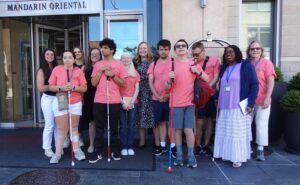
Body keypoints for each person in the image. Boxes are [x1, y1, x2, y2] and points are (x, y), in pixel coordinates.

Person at [165, 39, 209, 168]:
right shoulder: (171, 64)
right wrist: (169, 80)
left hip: (190, 102)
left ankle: (191, 156)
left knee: (188, 130)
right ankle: (179, 155)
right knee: (177, 130)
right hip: (175, 103)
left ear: (187, 49)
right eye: (177, 46)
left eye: (183, 45)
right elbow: (165, 86)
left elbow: (207, 78)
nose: (180, 48)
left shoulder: (193, 63)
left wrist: (198, 71)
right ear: (175, 50)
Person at [213, 45, 258, 168]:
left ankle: (237, 157)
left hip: (238, 106)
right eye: (226, 52)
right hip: (224, 106)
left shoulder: (246, 65)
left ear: (237, 53)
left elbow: (254, 85)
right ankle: (225, 154)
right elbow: (221, 85)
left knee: (236, 133)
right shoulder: (224, 68)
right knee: (226, 132)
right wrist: (216, 97)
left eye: (231, 51)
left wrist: (251, 103)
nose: (228, 54)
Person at [89, 38, 127, 163]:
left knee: (114, 128)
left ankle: (116, 150)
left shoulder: (119, 64)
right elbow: (93, 83)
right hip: (99, 100)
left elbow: (123, 83)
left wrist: (112, 75)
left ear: (112, 50)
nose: (103, 50)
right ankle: (98, 151)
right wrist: (100, 71)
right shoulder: (98, 65)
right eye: (102, 48)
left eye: (105, 48)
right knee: (99, 127)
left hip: (114, 100)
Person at [48, 50, 87, 164]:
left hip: (75, 101)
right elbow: (50, 86)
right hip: (61, 99)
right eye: (65, 57)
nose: (67, 59)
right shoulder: (57, 69)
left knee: (74, 128)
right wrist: (61, 88)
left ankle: (77, 149)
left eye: (70, 57)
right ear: (62, 59)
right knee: (62, 129)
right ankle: (57, 153)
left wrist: (74, 87)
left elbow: (84, 88)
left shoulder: (78, 71)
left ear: (74, 59)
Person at [246, 41, 276, 161]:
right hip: (248, 100)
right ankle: (246, 147)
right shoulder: (246, 63)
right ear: (249, 51)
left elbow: (270, 80)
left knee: (261, 124)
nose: (255, 50)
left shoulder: (266, 63)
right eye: (252, 49)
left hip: (262, 98)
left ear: (261, 50)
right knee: (246, 124)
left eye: (257, 48)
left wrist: (268, 96)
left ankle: (260, 149)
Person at [191, 41, 220, 156]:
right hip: (199, 96)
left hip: (211, 95)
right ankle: (197, 145)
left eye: (197, 54)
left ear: (203, 51)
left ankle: (206, 145)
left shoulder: (214, 60)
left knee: (209, 121)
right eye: (193, 54)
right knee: (199, 122)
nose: (195, 57)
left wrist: (208, 89)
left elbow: (217, 76)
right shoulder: (192, 62)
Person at [147, 39, 176, 156]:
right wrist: (158, 96)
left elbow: (178, 82)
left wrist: (168, 95)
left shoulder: (174, 63)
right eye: (161, 49)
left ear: (169, 50)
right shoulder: (153, 64)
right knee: (160, 123)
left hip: (172, 98)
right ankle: (161, 145)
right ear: (158, 50)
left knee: (172, 123)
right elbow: (150, 82)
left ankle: (173, 146)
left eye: (166, 49)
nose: (163, 52)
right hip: (157, 98)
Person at [79, 48, 102, 153]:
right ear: (89, 56)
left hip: (101, 96)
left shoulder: (103, 66)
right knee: (91, 122)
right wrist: (81, 98)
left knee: (100, 122)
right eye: (93, 54)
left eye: (97, 54)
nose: (94, 55)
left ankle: (100, 143)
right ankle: (92, 144)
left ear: (100, 56)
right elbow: (81, 84)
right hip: (89, 97)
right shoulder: (85, 67)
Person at [36, 48, 58, 158]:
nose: (50, 56)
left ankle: (58, 147)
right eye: (47, 54)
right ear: (44, 56)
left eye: (52, 54)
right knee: (49, 124)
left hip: (58, 98)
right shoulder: (41, 70)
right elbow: (41, 87)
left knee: (58, 124)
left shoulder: (56, 68)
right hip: (48, 99)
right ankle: (47, 148)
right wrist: (53, 87)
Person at [134, 42, 155, 148]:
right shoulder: (135, 62)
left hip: (150, 91)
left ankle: (157, 142)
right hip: (138, 92)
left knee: (152, 116)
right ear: (138, 50)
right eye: (140, 48)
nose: (142, 50)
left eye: (144, 48)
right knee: (140, 116)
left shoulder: (153, 62)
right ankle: (142, 140)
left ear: (148, 50)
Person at [119, 53, 140, 156]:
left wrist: (131, 102)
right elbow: (116, 89)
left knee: (131, 125)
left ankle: (130, 146)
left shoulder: (135, 73)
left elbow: (137, 89)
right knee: (123, 125)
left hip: (132, 102)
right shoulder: (118, 72)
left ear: (131, 60)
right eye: (124, 58)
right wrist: (122, 102)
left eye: (128, 58)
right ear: (121, 60)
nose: (126, 60)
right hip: (121, 101)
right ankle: (124, 146)